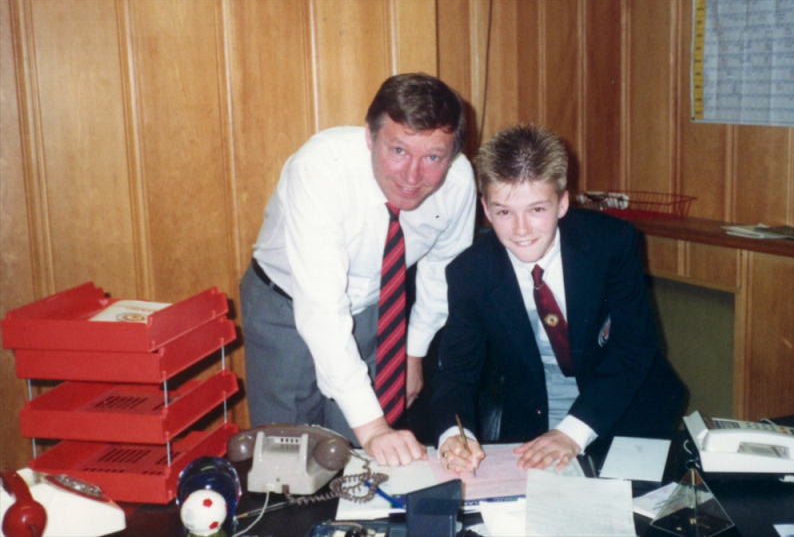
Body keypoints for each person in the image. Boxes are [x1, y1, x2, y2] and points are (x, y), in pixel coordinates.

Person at [240, 73, 476, 467]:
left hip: (376, 309)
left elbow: (442, 273)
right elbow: (321, 311)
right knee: (287, 458)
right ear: (370, 137)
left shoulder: (459, 181)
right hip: (285, 304)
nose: (412, 176)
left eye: (433, 157)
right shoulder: (320, 168)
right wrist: (375, 429)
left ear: (452, 155)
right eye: (398, 150)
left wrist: (413, 352)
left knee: (358, 461)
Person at [431, 123, 684, 474]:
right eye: (504, 211)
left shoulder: (610, 243)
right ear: (486, 209)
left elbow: (634, 349)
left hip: (624, 398)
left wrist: (573, 432)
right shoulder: (470, 272)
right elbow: (457, 371)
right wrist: (451, 436)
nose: (521, 230)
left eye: (537, 210)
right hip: (532, 402)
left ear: (563, 203)